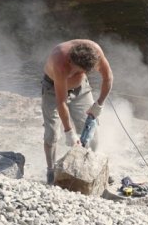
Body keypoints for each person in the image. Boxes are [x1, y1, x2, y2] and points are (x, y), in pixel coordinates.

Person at [41, 39, 113, 184]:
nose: (75, 73)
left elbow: (108, 77)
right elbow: (61, 101)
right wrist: (69, 132)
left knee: (91, 129)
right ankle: (51, 170)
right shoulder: (60, 60)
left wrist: (99, 104)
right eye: (75, 69)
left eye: (81, 71)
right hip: (52, 88)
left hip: (81, 89)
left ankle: (93, 167)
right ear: (70, 60)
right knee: (52, 133)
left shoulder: (96, 52)